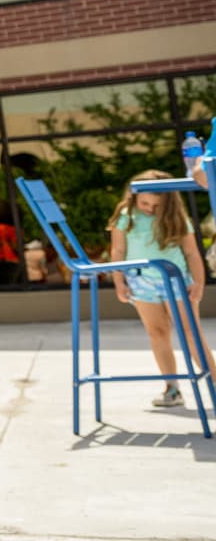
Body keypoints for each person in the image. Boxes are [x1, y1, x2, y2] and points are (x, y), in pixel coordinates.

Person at [109, 169, 215, 408]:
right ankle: (172, 389)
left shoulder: (176, 218)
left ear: (167, 203)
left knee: (191, 334)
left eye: (155, 205)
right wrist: (119, 281)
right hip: (141, 282)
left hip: (175, 280)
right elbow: (117, 251)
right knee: (157, 334)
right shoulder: (126, 215)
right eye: (144, 202)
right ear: (134, 196)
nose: (149, 208)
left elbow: (191, 252)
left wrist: (198, 283)